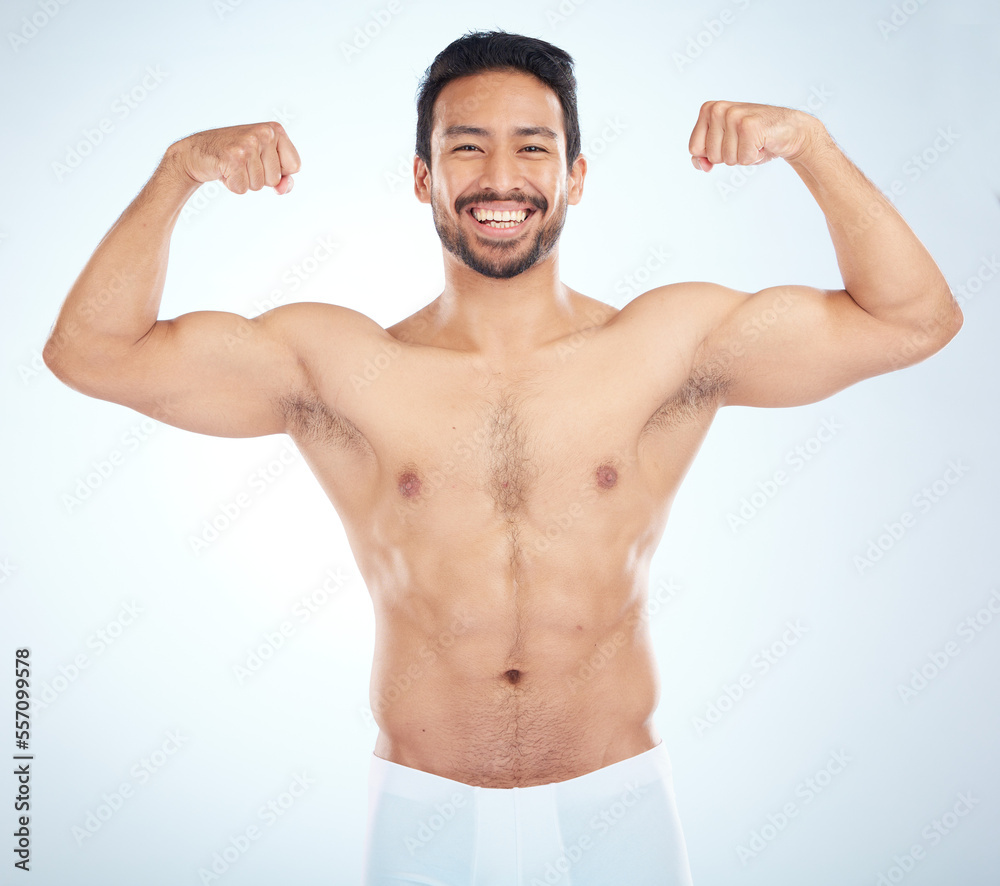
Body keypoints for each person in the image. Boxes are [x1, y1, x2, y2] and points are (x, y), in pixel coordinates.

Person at [43, 29, 961, 886]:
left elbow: (913, 318)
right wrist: (178, 173)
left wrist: (811, 144)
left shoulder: (668, 343)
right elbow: (92, 353)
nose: (500, 176)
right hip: (423, 811)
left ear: (576, 174)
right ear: (422, 175)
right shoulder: (341, 365)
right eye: (466, 146)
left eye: (532, 146)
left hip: (617, 803)